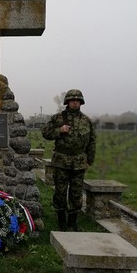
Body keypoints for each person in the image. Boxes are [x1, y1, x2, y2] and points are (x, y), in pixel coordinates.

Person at [41, 89, 96, 231]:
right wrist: (59, 130)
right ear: (67, 102)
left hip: (79, 162)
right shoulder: (58, 118)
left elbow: (92, 141)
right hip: (61, 161)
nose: (75, 102)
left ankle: (73, 222)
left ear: (81, 102)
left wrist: (89, 160)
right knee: (60, 191)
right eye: (72, 100)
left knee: (76, 193)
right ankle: (61, 221)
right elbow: (45, 133)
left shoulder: (86, 121)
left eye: (78, 100)